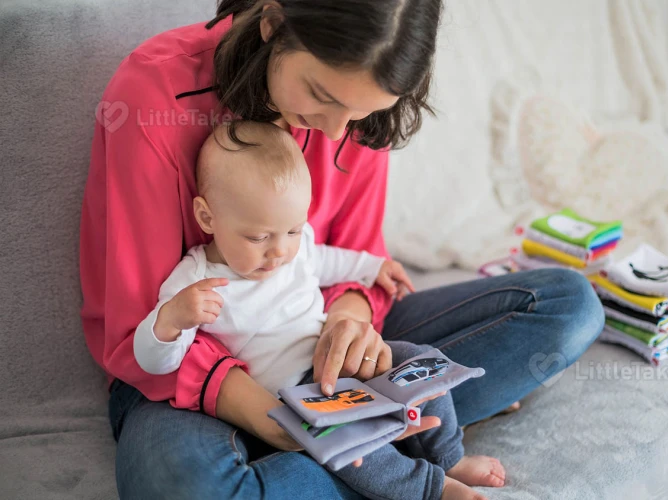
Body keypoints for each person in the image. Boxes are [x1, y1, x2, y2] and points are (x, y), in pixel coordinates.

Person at [80, 1, 604, 498]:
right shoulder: (153, 96)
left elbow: (354, 260)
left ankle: (365, 448)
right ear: (273, 22)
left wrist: (349, 325)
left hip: (321, 352)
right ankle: (388, 458)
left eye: (361, 111)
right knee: (182, 488)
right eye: (322, 95)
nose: (337, 131)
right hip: (181, 376)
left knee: (569, 306)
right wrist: (269, 415)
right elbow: (141, 330)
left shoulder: (355, 115)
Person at [131, 120, 504, 499]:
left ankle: (449, 456)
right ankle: (430, 489)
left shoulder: (293, 245)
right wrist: (171, 321)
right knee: (352, 445)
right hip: (296, 395)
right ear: (207, 217)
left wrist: (372, 267)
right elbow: (154, 362)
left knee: (424, 362)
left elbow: (326, 261)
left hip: (339, 358)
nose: (280, 251)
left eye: (293, 231)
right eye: (258, 237)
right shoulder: (196, 279)